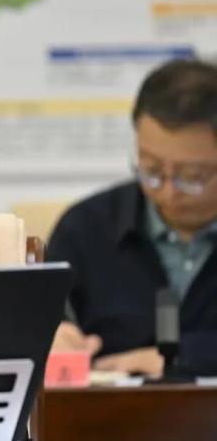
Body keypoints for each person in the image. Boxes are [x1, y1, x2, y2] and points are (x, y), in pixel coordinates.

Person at [48, 58, 217, 378]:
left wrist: (183, 358)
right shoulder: (85, 228)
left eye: (192, 176)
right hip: (111, 408)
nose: (168, 192)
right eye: (151, 169)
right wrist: (56, 336)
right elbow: (46, 320)